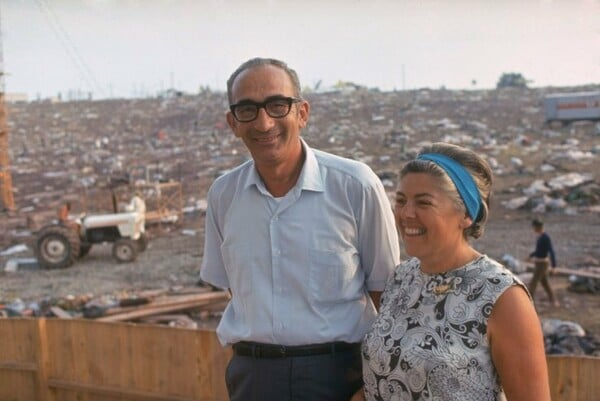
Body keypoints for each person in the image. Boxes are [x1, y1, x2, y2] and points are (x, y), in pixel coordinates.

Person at [199, 57, 401, 401]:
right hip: (255, 378)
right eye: (247, 109)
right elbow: (237, 290)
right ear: (233, 123)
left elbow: (388, 297)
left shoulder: (355, 186)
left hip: (340, 376)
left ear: (302, 113)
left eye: (277, 105)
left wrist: (375, 387)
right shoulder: (224, 194)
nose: (264, 123)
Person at [358, 143, 550, 401]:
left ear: (466, 215)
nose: (406, 213)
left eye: (424, 203)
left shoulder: (501, 297)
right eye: (401, 201)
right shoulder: (401, 278)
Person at [528, 218, 559, 307]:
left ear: (538, 227)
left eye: (534, 227)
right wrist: (531, 255)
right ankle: (553, 300)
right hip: (539, 263)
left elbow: (551, 251)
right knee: (544, 283)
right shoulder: (540, 237)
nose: (533, 229)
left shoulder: (546, 237)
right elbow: (539, 251)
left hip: (542, 264)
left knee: (533, 282)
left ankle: (529, 303)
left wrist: (554, 266)